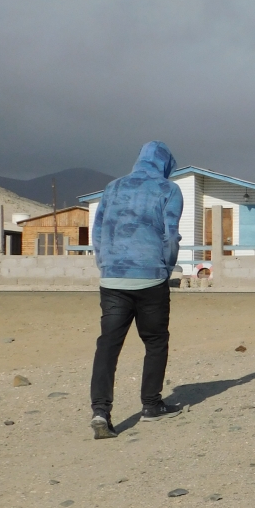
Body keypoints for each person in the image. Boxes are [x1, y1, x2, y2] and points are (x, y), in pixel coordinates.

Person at [88, 141, 184, 439]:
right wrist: (165, 268)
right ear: (165, 164)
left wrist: (106, 264)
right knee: (155, 341)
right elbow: (171, 236)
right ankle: (151, 405)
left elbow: (98, 231)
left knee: (108, 344)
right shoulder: (168, 189)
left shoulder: (113, 188)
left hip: (112, 278)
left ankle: (100, 411)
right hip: (151, 277)